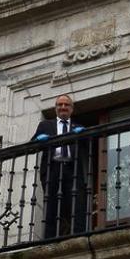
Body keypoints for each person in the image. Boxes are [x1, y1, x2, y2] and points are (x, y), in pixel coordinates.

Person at [32, 94, 91, 238]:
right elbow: (33, 143)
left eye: (66, 105)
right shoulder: (46, 125)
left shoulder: (78, 126)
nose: (63, 107)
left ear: (71, 109)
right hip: (53, 168)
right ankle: (49, 238)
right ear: (55, 108)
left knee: (77, 203)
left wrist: (84, 135)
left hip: (72, 169)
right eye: (60, 105)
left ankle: (79, 235)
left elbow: (90, 144)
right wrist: (40, 140)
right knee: (51, 204)